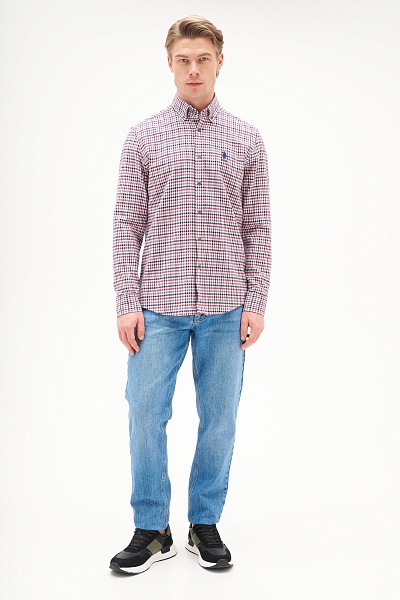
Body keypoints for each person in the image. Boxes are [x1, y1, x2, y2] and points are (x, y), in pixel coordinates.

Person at [109, 15, 271, 574]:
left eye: (203, 58)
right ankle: (152, 528)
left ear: (219, 62)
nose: (193, 69)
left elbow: (257, 226)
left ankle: (205, 524)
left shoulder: (246, 138)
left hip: (227, 306)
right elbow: (127, 224)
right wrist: (126, 302)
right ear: (170, 63)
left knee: (219, 419)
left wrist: (256, 301)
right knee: (144, 414)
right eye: (184, 59)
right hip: (158, 305)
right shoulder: (144, 137)